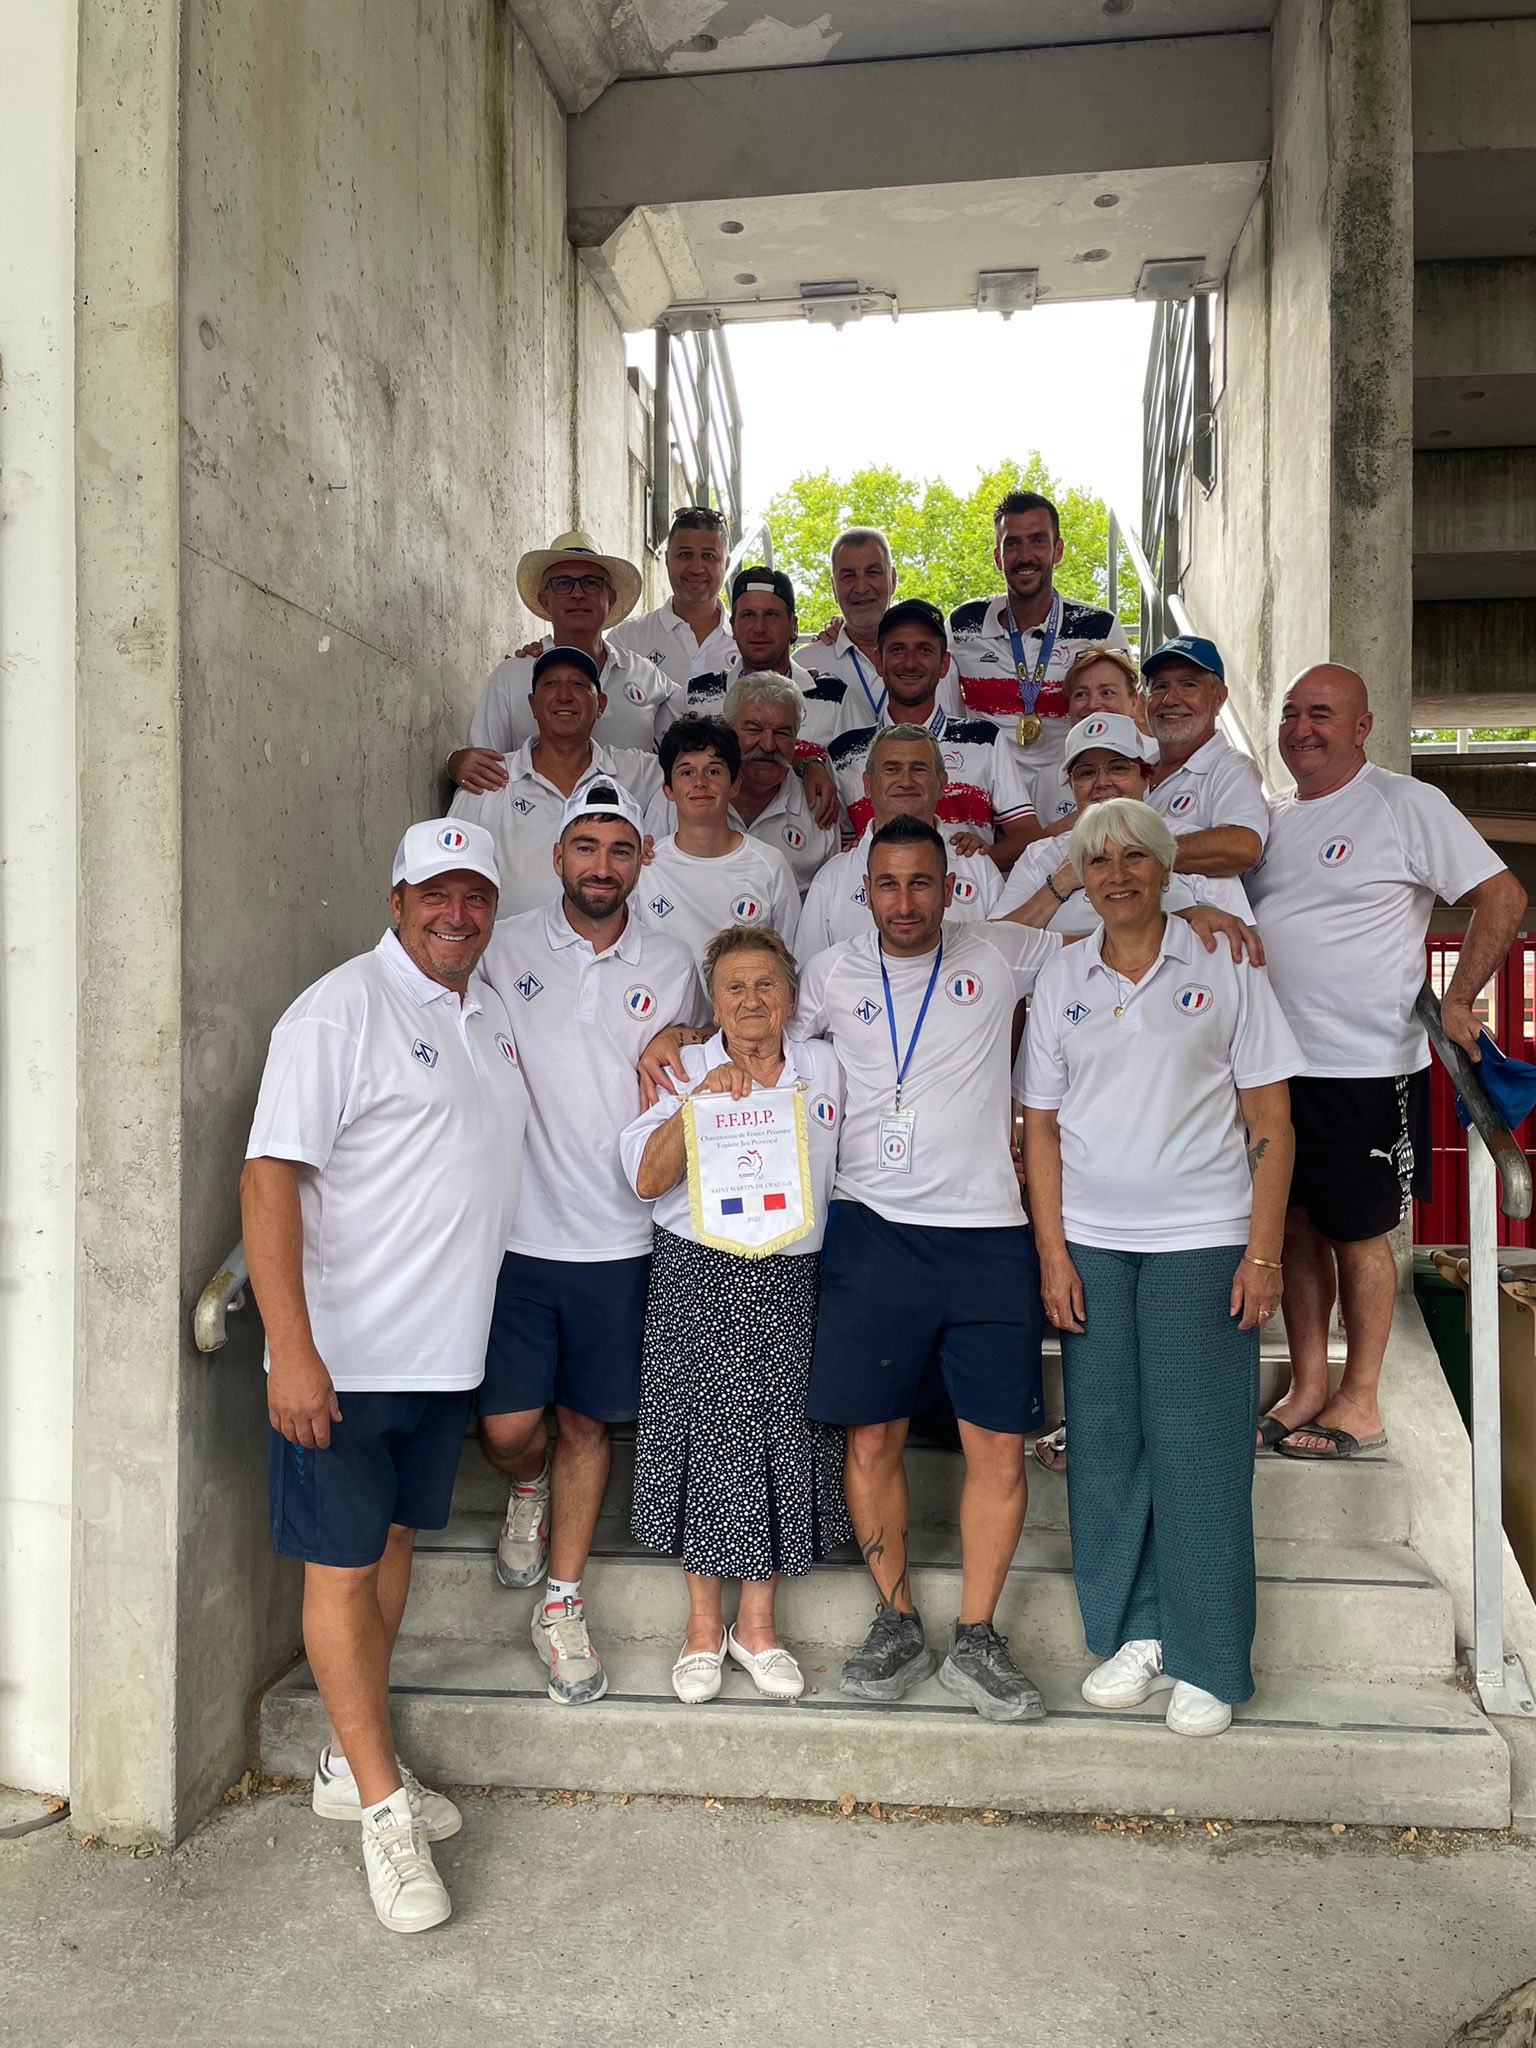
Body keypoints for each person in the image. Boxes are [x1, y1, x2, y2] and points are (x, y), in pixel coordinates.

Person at [241, 818, 528, 1933]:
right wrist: (294, 1346)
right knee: (341, 1571)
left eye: (476, 897)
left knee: (392, 1552)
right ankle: (378, 1808)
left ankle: (344, 1757)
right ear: (398, 897)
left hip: (439, 1354)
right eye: (436, 894)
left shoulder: (485, 1015)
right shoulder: (338, 1011)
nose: (457, 914)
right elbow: (269, 1177)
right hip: (345, 1358)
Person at [1021, 797, 1300, 1737]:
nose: (1118, 872)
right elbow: (1042, 1128)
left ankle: (1209, 1653)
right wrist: (1052, 1251)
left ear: (1168, 867)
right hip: (1094, 1245)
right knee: (1107, 1449)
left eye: (1136, 856)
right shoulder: (1061, 973)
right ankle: (1135, 1630)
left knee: (1199, 1452)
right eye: (1098, 860)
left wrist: (1263, 1251)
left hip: (1203, 1238)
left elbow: (1270, 1122)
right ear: (1083, 878)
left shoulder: (1224, 960)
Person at [799, 816, 1062, 1722]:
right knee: (871, 1439)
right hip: (872, 1231)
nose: (905, 903)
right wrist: (675, 1041)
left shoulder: (999, 954)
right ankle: (896, 1616)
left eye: (922, 884)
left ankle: (979, 1637)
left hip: (991, 1236)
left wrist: (1218, 923)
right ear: (861, 890)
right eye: (888, 884)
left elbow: (1121, 915)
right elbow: (758, 1035)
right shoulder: (830, 973)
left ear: (951, 888)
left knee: (997, 1445)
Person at [1245, 665, 1526, 1459]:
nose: (1302, 728)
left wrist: (1463, 999)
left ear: (1363, 726)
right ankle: (1307, 1385)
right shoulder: (1270, 820)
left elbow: (1501, 896)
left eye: (1322, 714)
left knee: (1359, 1234)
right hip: (1273, 1067)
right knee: (1294, 1228)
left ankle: (1361, 1398)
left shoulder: (1406, 804)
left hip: (1363, 1065)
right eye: (1291, 713)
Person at [477, 781, 705, 1704]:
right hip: (516, 1233)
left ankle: (562, 1603)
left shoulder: (676, 959)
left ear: (642, 860)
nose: (601, 865)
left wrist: (689, 1028)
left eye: (619, 848)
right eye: (585, 847)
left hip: (621, 1235)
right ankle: (524, 1489)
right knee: (507, 1429)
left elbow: (707, 1045)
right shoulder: (505, 946)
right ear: (558, 857)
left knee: (585, 1422)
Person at [619, 927, 850, 1704]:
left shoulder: (824, 1065)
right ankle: (698, 1631)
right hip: (698, 1271)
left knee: (779, 1435)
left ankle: (757, 1629)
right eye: (733, 988)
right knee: (706, 1435)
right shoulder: (677, 1066)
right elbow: (646, 1182)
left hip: (791, 1274)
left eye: (765, 986)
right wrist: (697, 1104)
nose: (751, 1002)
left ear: (789, 994)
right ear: (711, 1001)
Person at [949, 489, 1129, 822]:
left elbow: (1129, 715)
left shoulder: (1099, 627)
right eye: (1012, 543)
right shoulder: (963, 625)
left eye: (1038, 540)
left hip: (1069, 797)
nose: (1025, 555)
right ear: (997, 557)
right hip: (987, 796)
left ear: (1057, 550)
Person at [449, 531, 681, 789]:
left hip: (634, 827)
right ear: (544, 600)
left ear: (611, 599)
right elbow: (482, 769)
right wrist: (454, 762)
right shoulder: (511, 676)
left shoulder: (646, 675)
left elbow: (697, 738)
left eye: (591, 583)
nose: (578, 594)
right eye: (563, 583)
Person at [448, 647, 661, 917]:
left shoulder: (639, 773)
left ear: (601, 704)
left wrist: (658, 845)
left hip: (609, 954)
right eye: (550, 684)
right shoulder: (488, 779)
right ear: (533, 705)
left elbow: (703, 776)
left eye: (578, 685)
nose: (563, 696)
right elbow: (449, 872)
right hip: (510, 955)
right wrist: (452, 761)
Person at [826, 599, 1035, 862]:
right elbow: (837, 850)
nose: (910, 663)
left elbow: (1028, 836)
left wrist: (979, 860)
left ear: (944, 664)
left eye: (924, 650)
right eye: (897, 649)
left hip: (969, 900)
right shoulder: (843, 752)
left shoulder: (984, 739)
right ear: (879, 661)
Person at [995, 713, 1221, 936]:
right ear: (1071, 785)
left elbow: (1235, 933)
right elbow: (993, 944)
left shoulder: (1190, 841)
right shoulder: (1041, 855)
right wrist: (1058, 884)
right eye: (1086, 773)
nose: (1101, 782)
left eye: (1118, 767)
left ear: (1146, 777)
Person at [798, 724, 1002, 963]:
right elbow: (808, 976)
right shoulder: (832, 878)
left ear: (942, 784)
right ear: (867, 784)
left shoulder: (979, 868)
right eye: (892, 769)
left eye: (919, 769)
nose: (906, 781)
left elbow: (1004, 965)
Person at [643, 672, 838, 896]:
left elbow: (829, 902)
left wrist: (811, 763)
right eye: (753, 729)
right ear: (729, 730)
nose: (767, 744)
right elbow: (650, 870)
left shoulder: (820, 807)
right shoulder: (680, 798)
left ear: (796, 737)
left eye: (782, 732)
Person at [635, 715, 801, 964]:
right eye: (687, 772)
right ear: (668, 790)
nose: (700, 782)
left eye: (713, 771)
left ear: (734, 785)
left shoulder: (770, 864)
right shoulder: (645, 866)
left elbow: (792, 960)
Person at [1142, 636, 1268, 913]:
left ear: (1219, 698)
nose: (1170, 699)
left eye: (1188, 684)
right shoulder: (1135, 770)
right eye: (1160, 686)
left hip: (1202, 944)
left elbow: (1242, 847)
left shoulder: (1232, 768)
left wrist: (1137, 853)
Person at [685, 567, 864, 761]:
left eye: (771, 615)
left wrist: (813, 763)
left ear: (793, 626)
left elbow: (863, 779)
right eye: (748, 615)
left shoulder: (835, 698)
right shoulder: (696, 695)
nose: (759, 627)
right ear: (733, 626)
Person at [798, 527, 961, 725]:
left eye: (873, 572)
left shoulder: (939, 663)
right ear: (834, 587)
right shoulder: (804, 663)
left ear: (892, 579)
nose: (861, 587)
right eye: (848, 576)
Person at [609, 505, 738, 686]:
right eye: (685, 555)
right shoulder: (627, 640)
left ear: (726, 564)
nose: (696, 568)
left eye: (708, 556)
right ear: (668, 560)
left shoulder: (746, 644)